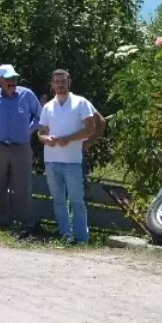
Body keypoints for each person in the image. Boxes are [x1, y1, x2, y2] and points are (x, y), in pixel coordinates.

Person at [38, 69, 98, 244]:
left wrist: (69, 139)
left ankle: (82, 239)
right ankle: (66, 235)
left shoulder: (81, 102)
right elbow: (41, 132)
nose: (60, 84)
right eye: (56, 81)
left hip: (72, 160)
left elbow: (91, 128)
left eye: (63, 81)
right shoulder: (48, 106)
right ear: (52, 84)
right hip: (51, 160)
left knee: (77, 201)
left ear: (68, 82)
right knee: (58, 201)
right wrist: (46, 139)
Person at [0, 64, 40, 235]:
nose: (12, 81)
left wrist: (28, 131)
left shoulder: (27, 95)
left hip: (20, 148)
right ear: (0, 80)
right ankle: (2, 221)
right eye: (8, 79)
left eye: (14, 78)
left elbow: (39, 115)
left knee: (22, 186)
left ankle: (26, 224)